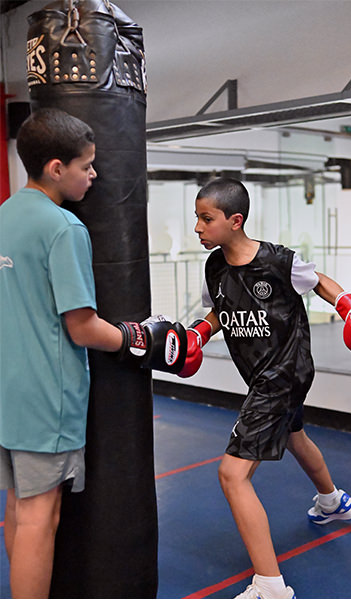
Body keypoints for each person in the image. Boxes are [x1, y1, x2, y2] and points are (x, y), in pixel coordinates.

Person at [0, 108, 185, 599]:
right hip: (47, 396)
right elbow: (82, 328)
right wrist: (137, 337)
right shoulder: (64, 228)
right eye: (86, 165)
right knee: (43, 515)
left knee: (18, 508)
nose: (94, 175)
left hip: (6, 393)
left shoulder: (3, 216)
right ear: (57, 168)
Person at [178, 177, 351, 599]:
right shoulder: (214, 267)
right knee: (294, 436)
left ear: (235, 221)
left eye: (205, 218)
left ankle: (270, 586)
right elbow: (220, 312)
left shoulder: (278, 261)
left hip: (283, 373)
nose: (197, 227)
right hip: (260, 375)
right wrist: (198, 332)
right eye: (197, 218)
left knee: (232, 475)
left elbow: (320, 280)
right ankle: (332, 501)